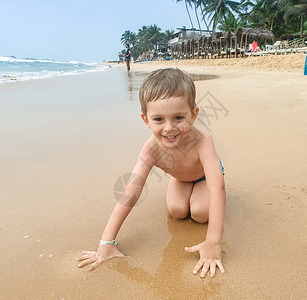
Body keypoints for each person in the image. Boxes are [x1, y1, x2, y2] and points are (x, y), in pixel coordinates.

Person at [77, 68, 226, 278]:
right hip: (181, 178)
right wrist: (106, 242)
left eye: (178, 117)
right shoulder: (151, 149)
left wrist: (213, 241)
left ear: (193, 115)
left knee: (200, 213)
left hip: (205, 178)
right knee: (177, 211)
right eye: (158, 120)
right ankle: (185, 190)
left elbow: (217, 187)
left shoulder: (202, 141)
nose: (169, 128)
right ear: (146, 119)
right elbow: (132, 191)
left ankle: (198, 199)